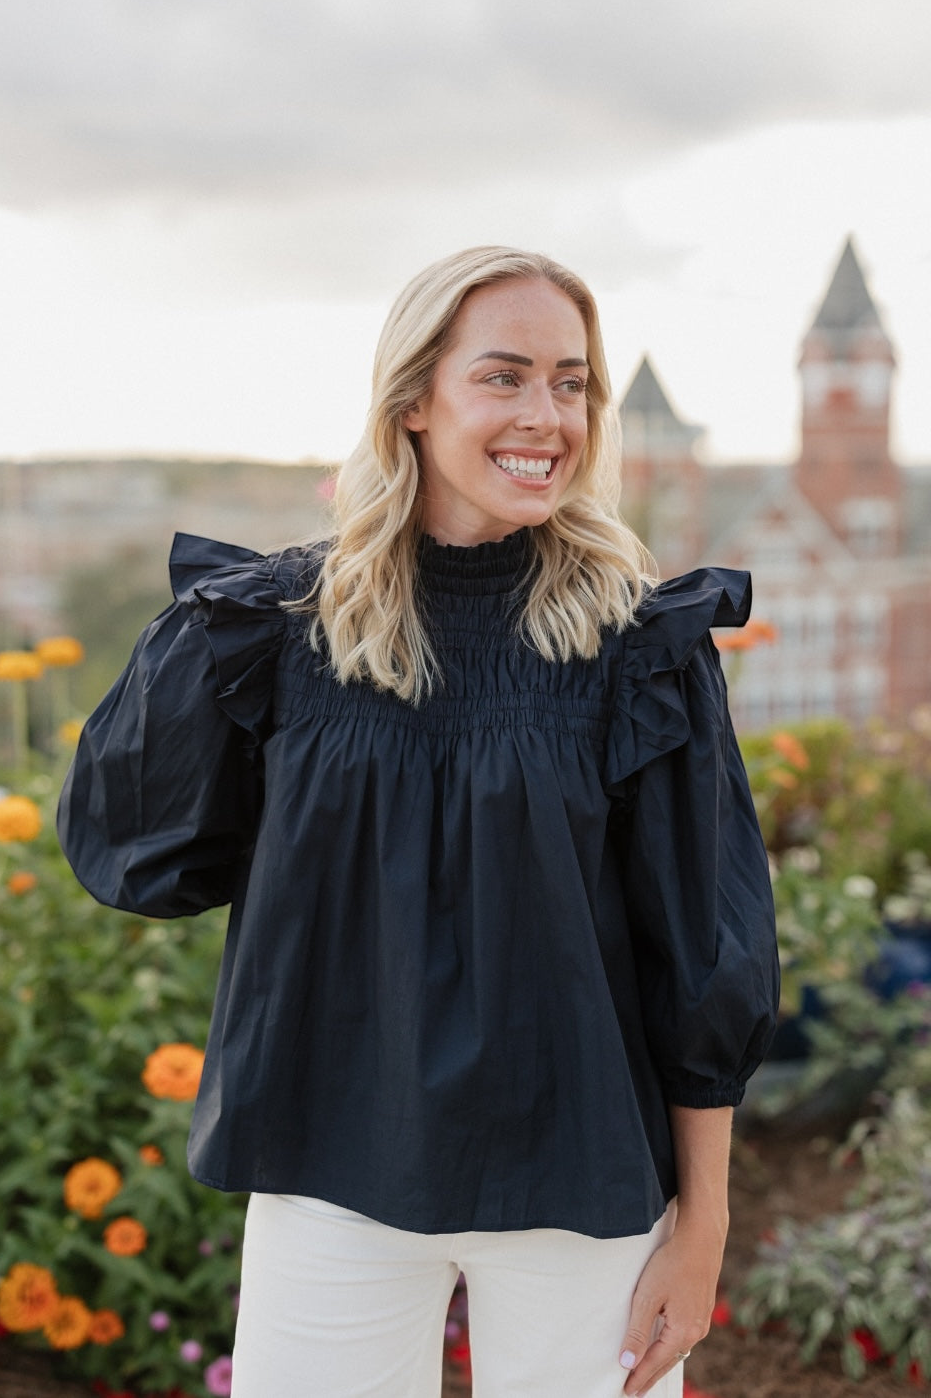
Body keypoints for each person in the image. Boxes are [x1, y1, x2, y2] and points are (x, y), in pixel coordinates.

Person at [57, 246, 779, 1398]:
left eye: (570, 381)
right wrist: (200, 644)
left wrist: (701, 1227)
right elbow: (138, 851)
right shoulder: (278, 629)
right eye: (503, 377)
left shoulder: (639, 652)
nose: (547, 416)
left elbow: (705, 957)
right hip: (329, 1170)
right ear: (410, 402)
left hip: (582, 1188)